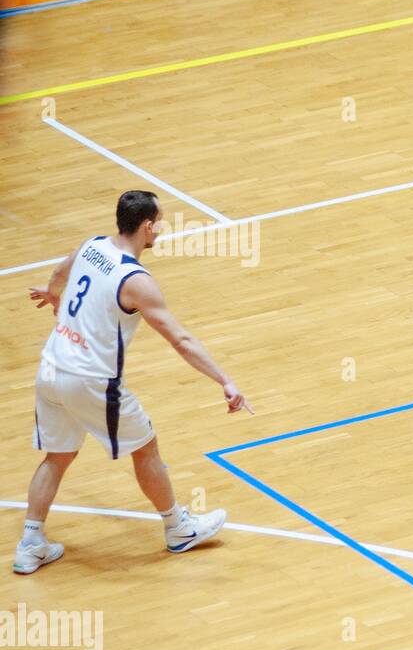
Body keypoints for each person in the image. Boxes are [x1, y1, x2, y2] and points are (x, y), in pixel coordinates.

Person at [17, 190, 251, 574]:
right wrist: (224, 379)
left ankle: (31, 542)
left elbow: (61, 271)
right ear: (146, 227)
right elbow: (181, 340)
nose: (161, 227)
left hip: (51, 367)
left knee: (57, 457)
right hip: (91, 381)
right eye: (159, 221)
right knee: (146, 448)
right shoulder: (136, 280)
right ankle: (178, 528)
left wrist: (53, 293)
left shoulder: (91, 246)